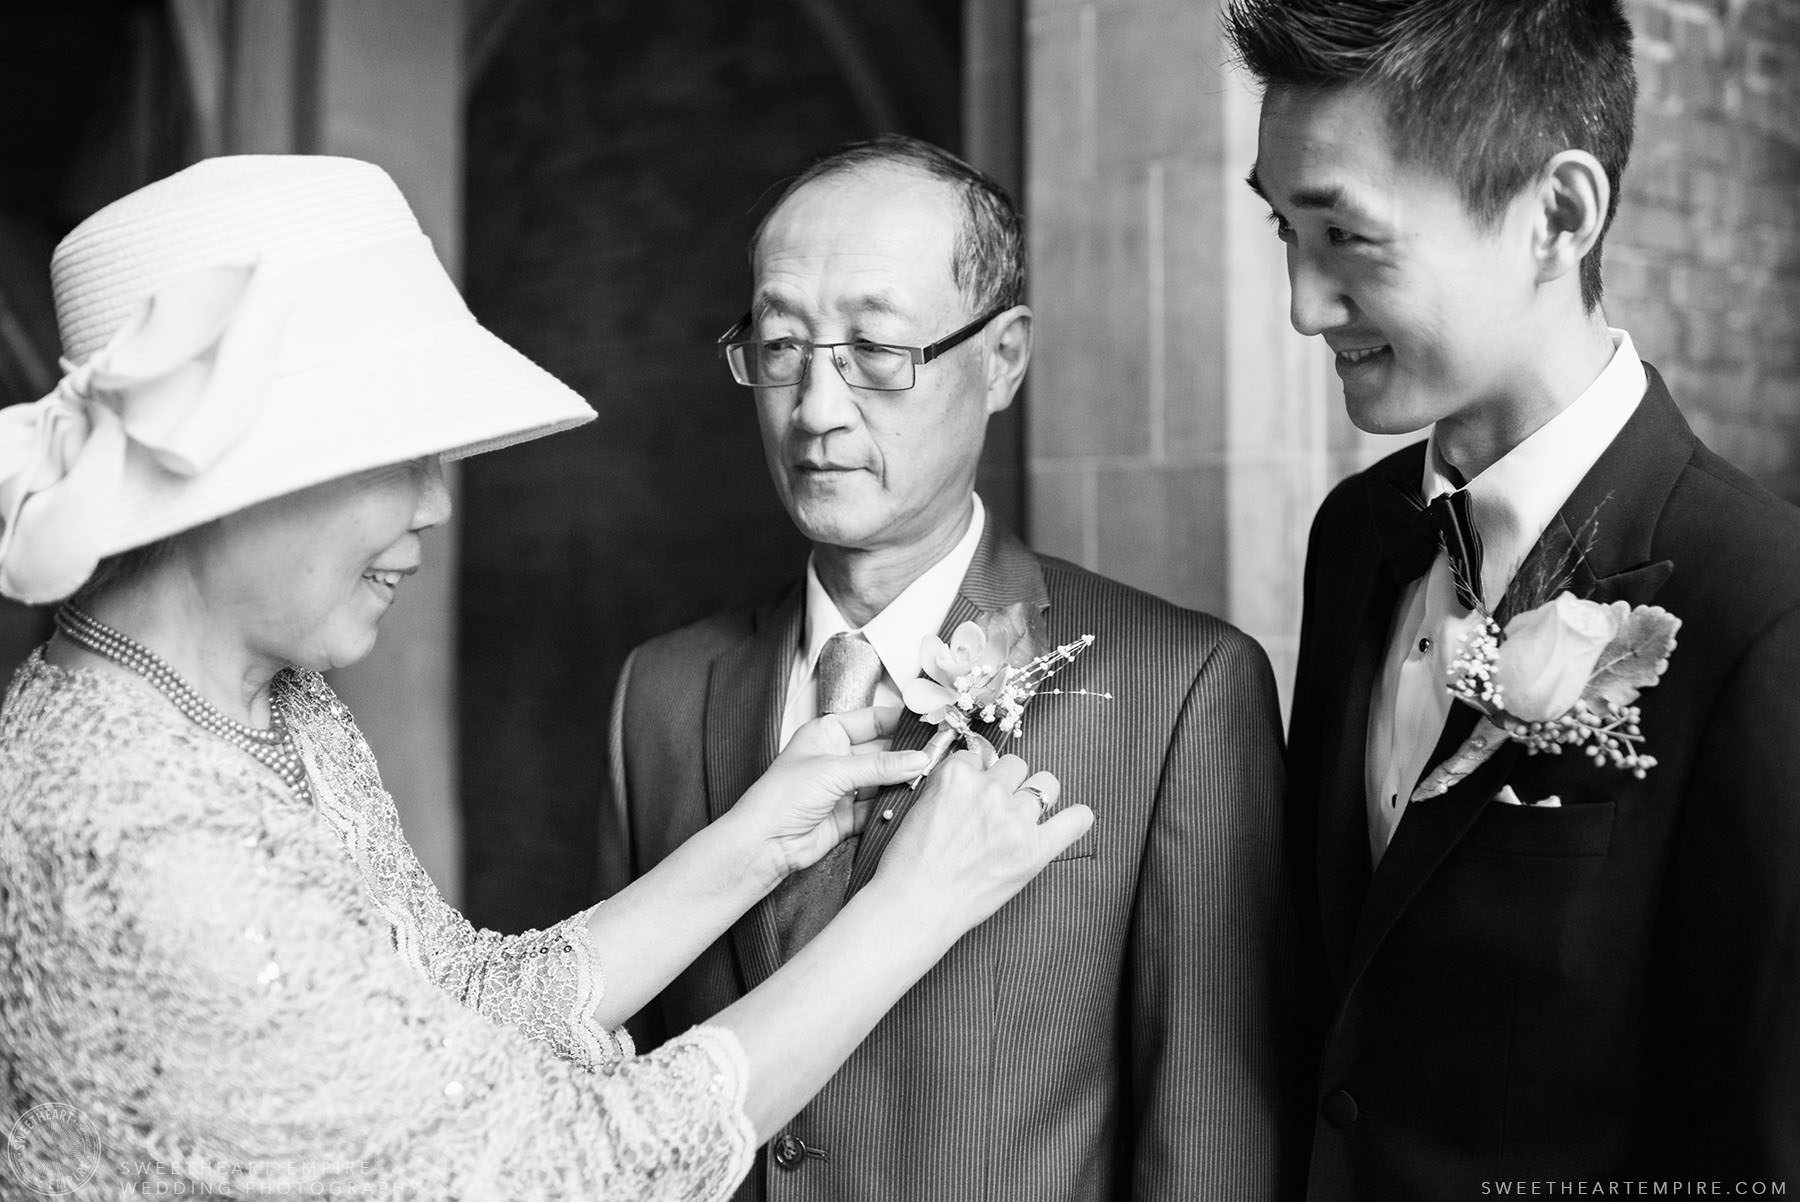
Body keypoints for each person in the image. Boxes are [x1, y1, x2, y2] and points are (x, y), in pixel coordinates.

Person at [0, 154, 1090, 1200]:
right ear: (237, 464)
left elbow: (456, 1007)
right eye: (405, 453)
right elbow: (561, 1164)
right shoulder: (126, 832)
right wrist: (911, 908)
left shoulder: (274, 706)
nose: (437, 502)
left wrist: (761, 837)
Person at [605, 134, 1292, 1201]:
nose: (816, 408)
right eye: (780, 346)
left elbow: (1205, 1147)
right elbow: (609, 1090)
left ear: (1004, 356)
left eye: (876, 350)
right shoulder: (659, 692)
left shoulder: (1182, 691)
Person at [1223, 0, 1800, 1195]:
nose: (1303, 303)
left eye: (1347, 237)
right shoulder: (1359, 537)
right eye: (1285, 231)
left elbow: (1760, 1139)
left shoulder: (1766, 610)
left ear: (1558, 213)